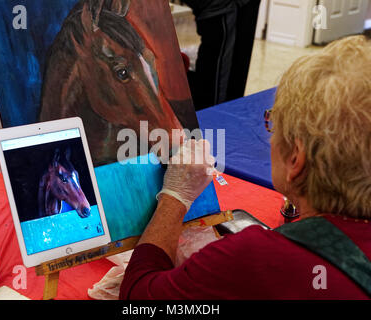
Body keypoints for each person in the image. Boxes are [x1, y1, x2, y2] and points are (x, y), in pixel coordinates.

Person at [119, 35, 371, 299]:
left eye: (273, 124)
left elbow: (139, 298)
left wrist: (175, 197)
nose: (271, 136)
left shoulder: (258, 257)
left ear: (297, 160)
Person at [184, 0, 261, 110]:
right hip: (225, 8)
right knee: (218, 83)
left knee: (226, 76)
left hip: (229, 8)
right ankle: (213, 118)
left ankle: (215, 116)